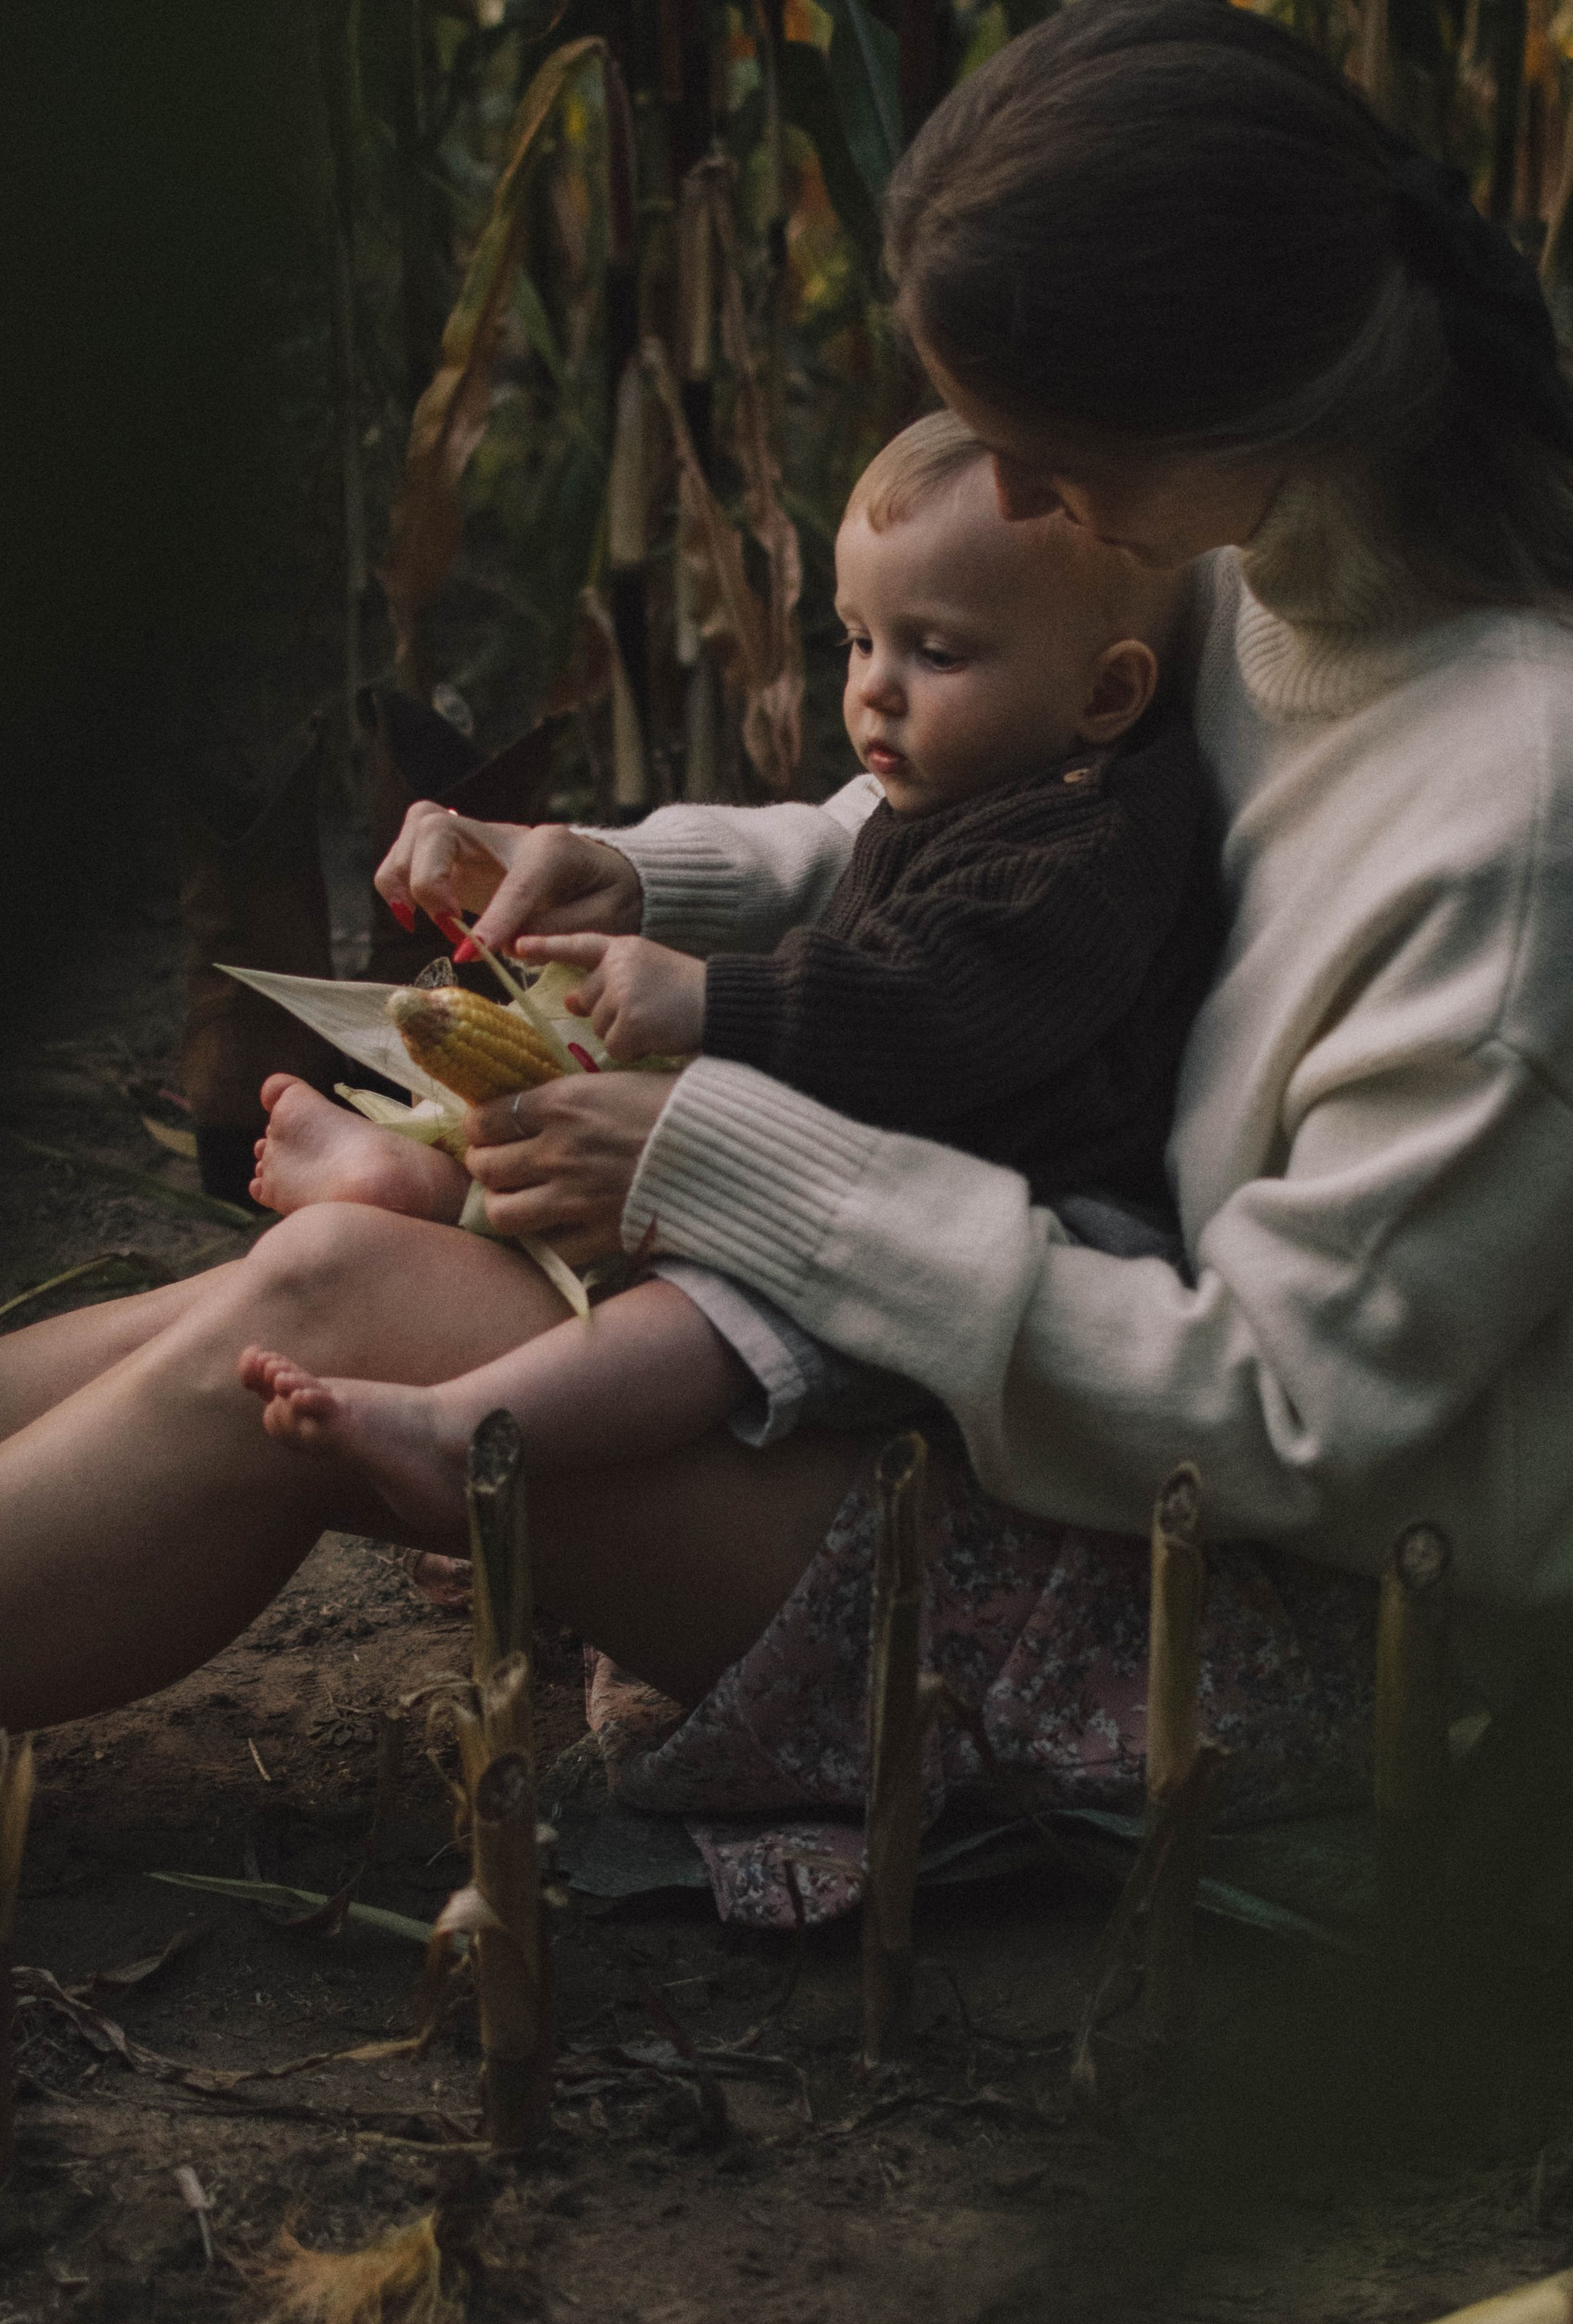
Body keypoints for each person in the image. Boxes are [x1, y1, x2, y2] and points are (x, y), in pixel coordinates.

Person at [0, 0, 1573, 1939]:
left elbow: (1289, 1421)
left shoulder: (1548, 813)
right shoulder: (1245, 566)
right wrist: (620, 876)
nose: (1017, 501)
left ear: (1218, 391)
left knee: (358, 1292)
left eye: (1042, 452)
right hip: (1078, 1456)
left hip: (1311, 1651)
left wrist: (726, 1166)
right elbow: (954, 855)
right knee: (324, 1271)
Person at [236, 410, 1212, 1539]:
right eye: (858, 640)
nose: (875, 691)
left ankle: (467, 1434)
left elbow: (926, 1003)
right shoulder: (995, 771)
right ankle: (434, 1188)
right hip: (924, 1146)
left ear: (1108, 695)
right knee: (659, 1171)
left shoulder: (1085, 857)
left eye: (933, 653)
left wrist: (714, 999)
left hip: (1030, 1221)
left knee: (724, 1304)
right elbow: (845, 900)